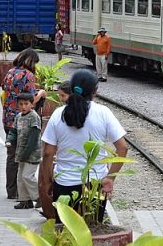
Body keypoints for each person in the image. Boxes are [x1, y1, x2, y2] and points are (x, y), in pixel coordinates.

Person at [39, 69, 127, 221]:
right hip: (94, 185)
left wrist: (47, 181)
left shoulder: (58, 114)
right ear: (94, 91)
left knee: (65, 233)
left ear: (71, 89)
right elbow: (122, 148)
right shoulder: (103, 112)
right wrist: (110, 178)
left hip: (64, 183)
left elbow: (48, 152)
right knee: (92, 233)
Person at [1, 48, 43, 199]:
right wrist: (42, 94)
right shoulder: (28, 75)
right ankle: (24, 193)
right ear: (31, 61)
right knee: (23, 154)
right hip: (22, 120)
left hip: (7, 117)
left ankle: (11, 191)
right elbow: (30, 101)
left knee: (11, 155)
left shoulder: (11, 72)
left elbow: (4, 89)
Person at [5, 93, 42, 209]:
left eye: (26, 104)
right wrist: (9, 140)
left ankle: (39, 197)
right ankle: (25, 200)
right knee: (20, 177)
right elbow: (13, 132)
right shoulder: (19, 117)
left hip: (32, 154)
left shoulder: (34, 117)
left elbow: (34, 137)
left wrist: (26, 152)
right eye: (21, 104)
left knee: (27, 176)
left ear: (32, 104)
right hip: (21, 153)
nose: (23, 107)